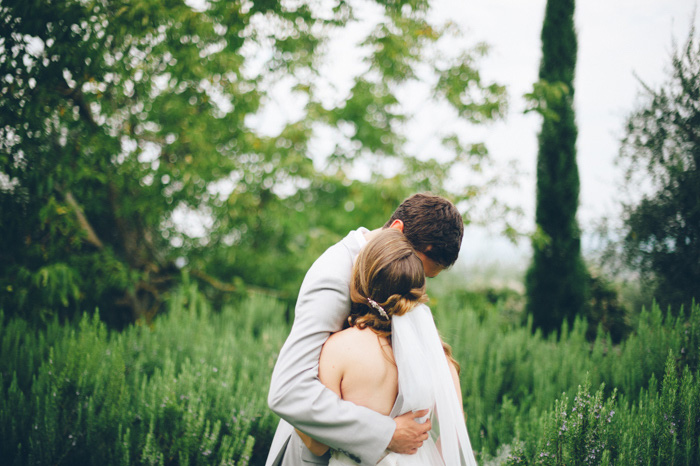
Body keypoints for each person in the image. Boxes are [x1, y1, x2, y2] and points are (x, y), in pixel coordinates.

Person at [266, 193, 465, 466]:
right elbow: (289, 391)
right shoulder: (334, 274)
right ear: (397, 230)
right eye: (420, 269)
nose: (416, 283)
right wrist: (388, 434)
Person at [296, 229, 477, 465]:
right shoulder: (438, 356)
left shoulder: (339, 349)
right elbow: (455, 430)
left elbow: (317, 445)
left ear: (360, 280)